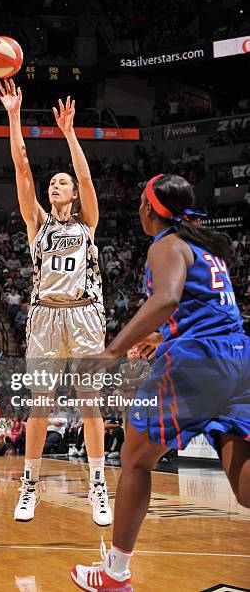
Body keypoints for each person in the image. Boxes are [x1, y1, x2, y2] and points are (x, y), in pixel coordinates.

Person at [71, 174, 250, 590]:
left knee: (135, 461)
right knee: (242, 484)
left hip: (199, 361)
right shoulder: (204, 248)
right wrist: (158, 336)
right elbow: (203, 310)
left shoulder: (166, 244)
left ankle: (115, 575)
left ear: (150, 209)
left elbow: (166, 298)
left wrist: (112, 351)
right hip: (238, 358)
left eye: (140, 203)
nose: (138, 209)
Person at [0, 79, 111, 526]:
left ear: (74, 194)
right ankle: (30, 485)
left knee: (91, 404)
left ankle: (98, 487)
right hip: (45, 316)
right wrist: (13, 114)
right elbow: (22, 166)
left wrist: (69, 133)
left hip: (84, 314)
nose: (58, 184)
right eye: (54, 182)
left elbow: (84, 175)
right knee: (39, 405)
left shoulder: (88, 223)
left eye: (63, 182)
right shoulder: (37, 223)